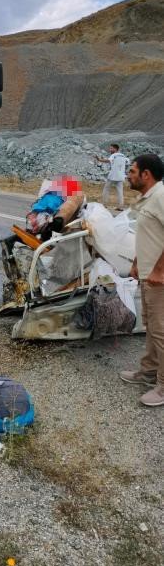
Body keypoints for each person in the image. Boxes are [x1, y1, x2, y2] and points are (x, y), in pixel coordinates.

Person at [120, 154, 164, 407]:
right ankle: (149, 372)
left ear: (146, 174)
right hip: (148, 275)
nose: (129, 174)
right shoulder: (148, 198)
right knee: (151, 327)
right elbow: (149, 234)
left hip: (160, 278)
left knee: (160, 331)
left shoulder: (161, 196)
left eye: (133, 171)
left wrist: (159, 270)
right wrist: (137, 262)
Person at [95, 144, 130, 210]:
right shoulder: (123, 156)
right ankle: (120, 207)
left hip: (113, 176)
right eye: (110, 148)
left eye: (111, 148)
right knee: (120, 192)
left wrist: (99, 159)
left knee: (106, 189)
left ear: (116, 149)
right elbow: (127, 163)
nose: (110, 150)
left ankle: (104, 204)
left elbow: (108, 160)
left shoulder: (114, 155)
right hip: (120, 176)